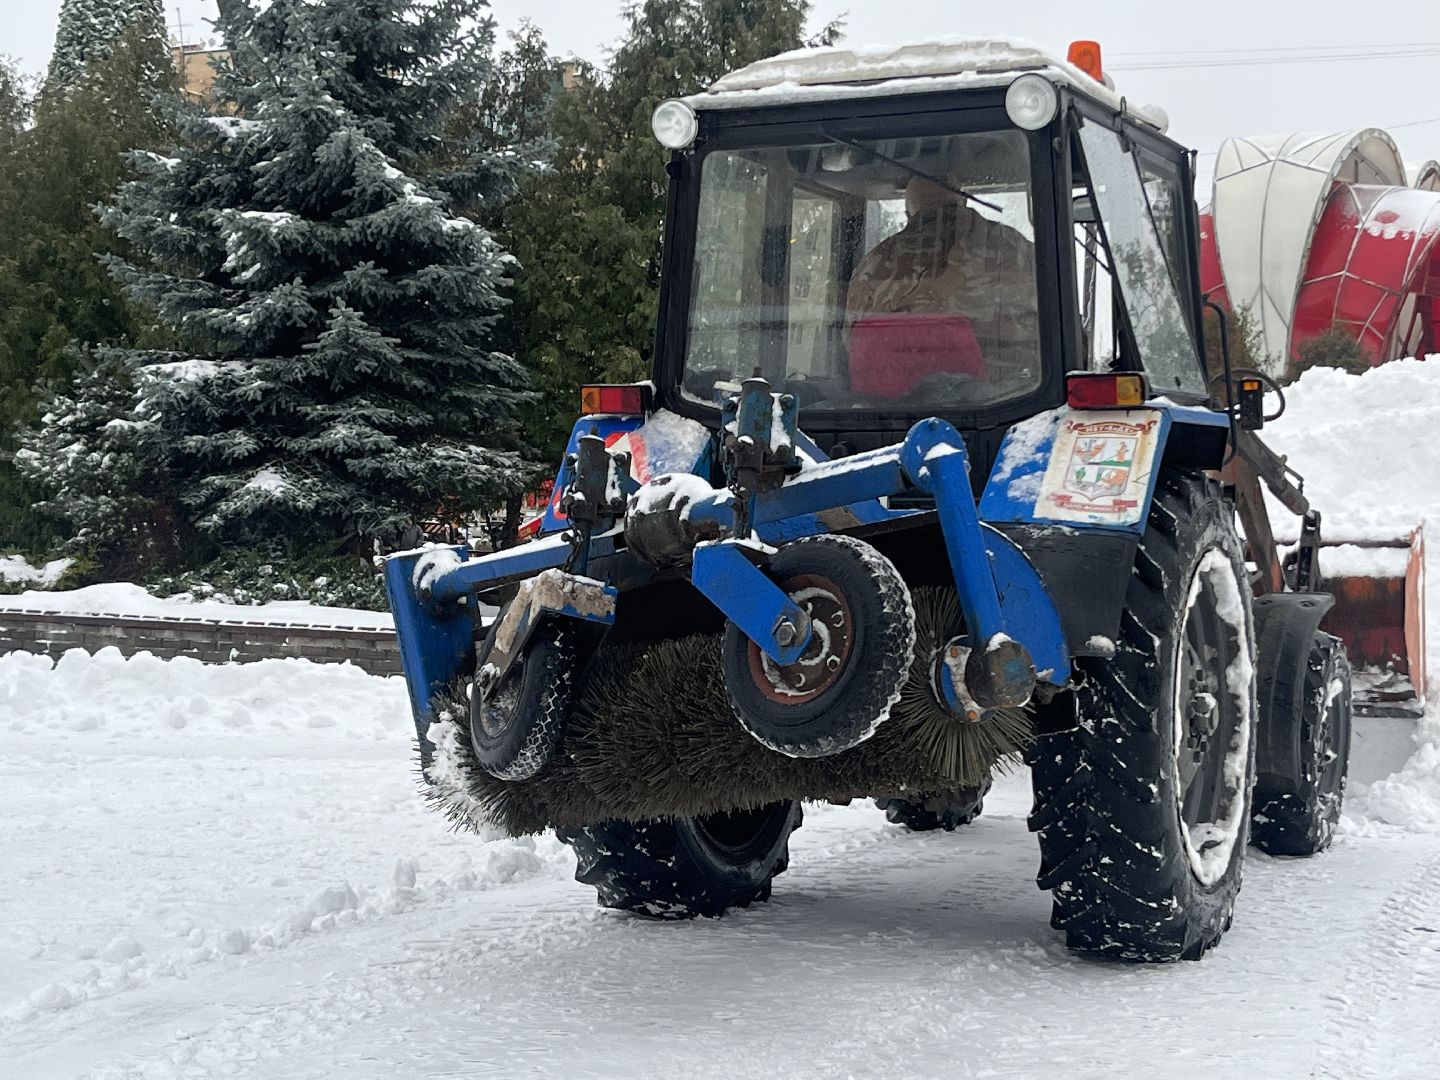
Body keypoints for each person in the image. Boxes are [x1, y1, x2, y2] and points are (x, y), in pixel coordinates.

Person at [845, 174, 1040, 398]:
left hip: (888, 411)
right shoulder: (1017, 251)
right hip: (1007, 404)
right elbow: (1057, 328)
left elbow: (852, 344)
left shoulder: (874, 263)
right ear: (962, 200)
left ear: (909, 212)